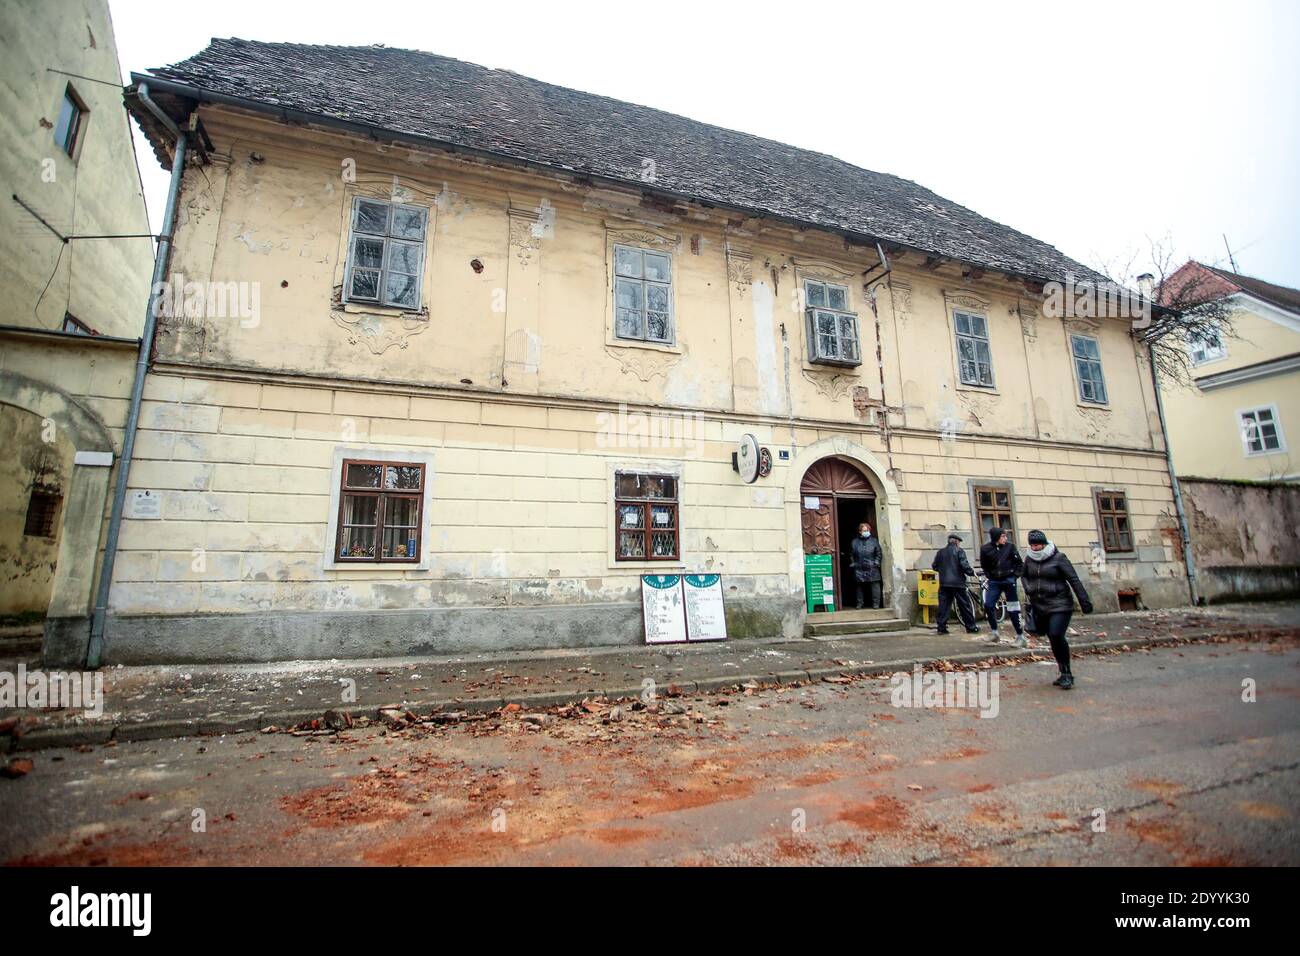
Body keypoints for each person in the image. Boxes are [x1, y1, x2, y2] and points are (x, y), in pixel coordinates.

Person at [1021, 529, 1093, 690]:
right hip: (1040, 605)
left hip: (1060, 603)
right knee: (1053, 639)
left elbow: (1073, 579)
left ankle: (1067, 674)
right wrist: (1028, 588)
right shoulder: (1029, 559)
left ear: (1044, 544)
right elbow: (1024, 575)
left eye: (1037, 545)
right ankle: (1063, 672)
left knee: (1056, 634)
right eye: (1032, 545)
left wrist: (1084, 602)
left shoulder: (1059, 558)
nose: (1035, 548)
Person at [979, 526, 1026, 647]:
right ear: (996, 537)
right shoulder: (985, 549)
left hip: (1008, 580)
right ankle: (994, 633)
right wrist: (990, 576)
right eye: (1003, 536)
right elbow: (984, 565)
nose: (1005, 538)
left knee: (1013, 608)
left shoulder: (1010, 547)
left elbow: (1019, 564)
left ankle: (1020, 636)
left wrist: (1014, 577)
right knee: (988, 605)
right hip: (994, 581)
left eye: (1006, 536)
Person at [931, 533, 978, 635]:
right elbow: (964, 565)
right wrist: (971, 572)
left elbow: (934, 566)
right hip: (958, 583)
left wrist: (943, 571)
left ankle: (941, 628)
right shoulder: (959, 551)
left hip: (944, 583)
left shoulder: (940, 552)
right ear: (956, 542)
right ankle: (971, 627)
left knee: (943, 606)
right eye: (959, 542)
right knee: (964, 605)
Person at [849, 522, 883, 609]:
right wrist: (853, 563)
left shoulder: (874, 541)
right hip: (859, 566)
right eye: (864, 530)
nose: (866, 532)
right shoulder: (854, 542)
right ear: (860, 531)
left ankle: (876, 604)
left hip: (872, 566)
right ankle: (859, 604)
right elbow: (851, 554)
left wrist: (876, 562)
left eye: (867, 530)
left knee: (875, 585)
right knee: (859, 586)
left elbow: (878, 553)